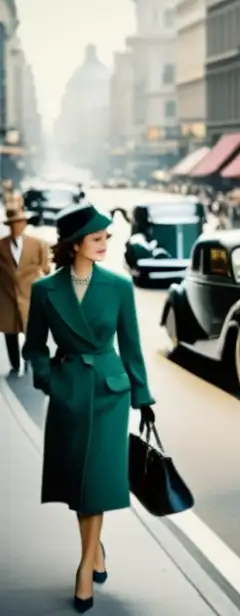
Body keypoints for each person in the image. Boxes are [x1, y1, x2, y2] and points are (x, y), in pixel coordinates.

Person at [23, 203, 156, 613]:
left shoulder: (119, 286)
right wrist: (50, 381)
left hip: (109, 394)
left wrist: (142, 396)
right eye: (96, 238)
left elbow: (131, 346)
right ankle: (94, 545)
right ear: (75, 243)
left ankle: (84, 568)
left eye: (105, 238)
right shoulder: (46, 290)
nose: (104, 245)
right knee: (77, 481)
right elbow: (34, 348)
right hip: (70, 394)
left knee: (95, 481)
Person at [0, 207, 51, 376]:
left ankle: (29, 358)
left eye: (20, 223)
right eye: (13, 224)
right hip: (7, 296)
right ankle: (15, 364)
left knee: (31, 330)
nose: (17, 227)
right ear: (9, 226)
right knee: (10, 332)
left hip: (30, 295)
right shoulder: (1, 245)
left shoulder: (37, 244)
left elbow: (46, 269)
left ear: (25, 224)